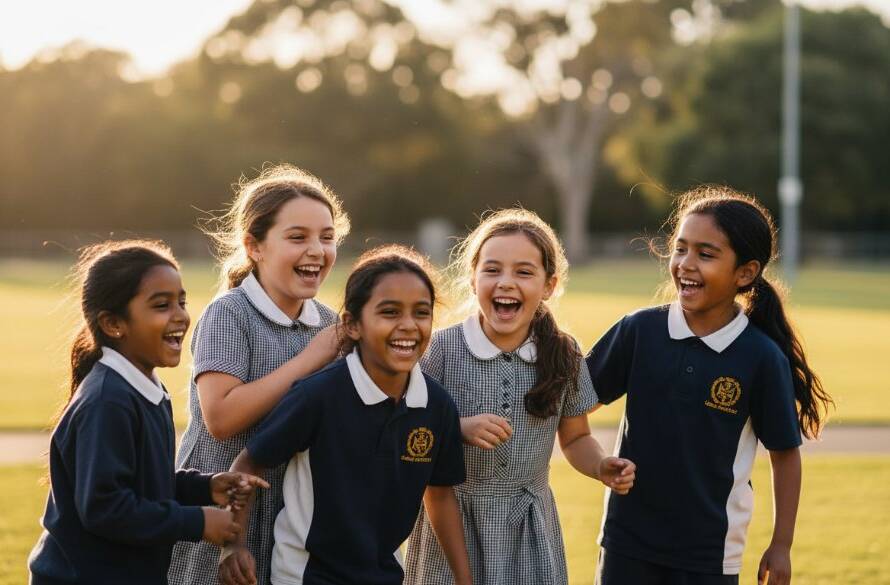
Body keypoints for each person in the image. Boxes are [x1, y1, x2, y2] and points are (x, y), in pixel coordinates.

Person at [587, 187, 834, 585]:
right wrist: (595, 460)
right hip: (626, 542)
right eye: (680, 249)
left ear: (746, 273)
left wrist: (781, 545)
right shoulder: (639, 331)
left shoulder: (760, 356)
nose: (686, 264)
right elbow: (572, 402)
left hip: (710, 553)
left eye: (706, 254)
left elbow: (785, 455)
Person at [406, 209, 635, 585]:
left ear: (549, 285)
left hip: (528, 527)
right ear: (472, 277)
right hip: (450, 525)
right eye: (492, 270)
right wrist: (457, 427)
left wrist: (600, 465)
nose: (506, 283)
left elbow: (576, 438)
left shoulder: (563, 353)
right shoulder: (441, 351)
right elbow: (410, 431)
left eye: (524, 272)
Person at [220, 246, 472, 585]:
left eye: (421, 312)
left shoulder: (436, 405)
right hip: (307, 575)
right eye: (390, 312)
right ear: (352, 325)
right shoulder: (317, 396)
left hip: (383, 574)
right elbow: (247, 465)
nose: (408, 326)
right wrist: (233, 545)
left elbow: (440, 496)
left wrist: (464, 579)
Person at [28, 240, 267, 585]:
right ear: (113, 324)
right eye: (161, 305)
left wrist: (203, 487)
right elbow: (107, 509)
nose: (180, 316)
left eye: (181, 302)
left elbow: (142, 484)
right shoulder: (108, 401)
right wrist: (197, 522)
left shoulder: (146, 388)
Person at [169, 165, 350, 585]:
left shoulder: (327, 322)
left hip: (292, 514)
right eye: (297, 237)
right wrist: (310, 359)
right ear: (254, 246)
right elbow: (221, 418)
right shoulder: (229, 313)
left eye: (327, 237)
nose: (317, 250)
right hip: (219, 506)